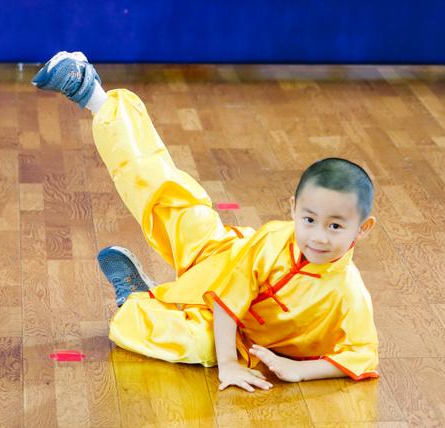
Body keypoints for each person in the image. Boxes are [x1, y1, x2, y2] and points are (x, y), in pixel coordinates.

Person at [32, 51, 380, 392]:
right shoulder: (274, 239)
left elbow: (363, 355)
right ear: (293, 210)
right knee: (163, 190)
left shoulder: (349, 292)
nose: (318, 236)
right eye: (309, 219)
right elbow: (230, 295)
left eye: (335, 226)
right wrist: (228, 366)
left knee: (191, 345)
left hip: (230, 329)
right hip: (220, 251)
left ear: (362, 229)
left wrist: (298, 370)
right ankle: (92, 93)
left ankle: (136, 300)